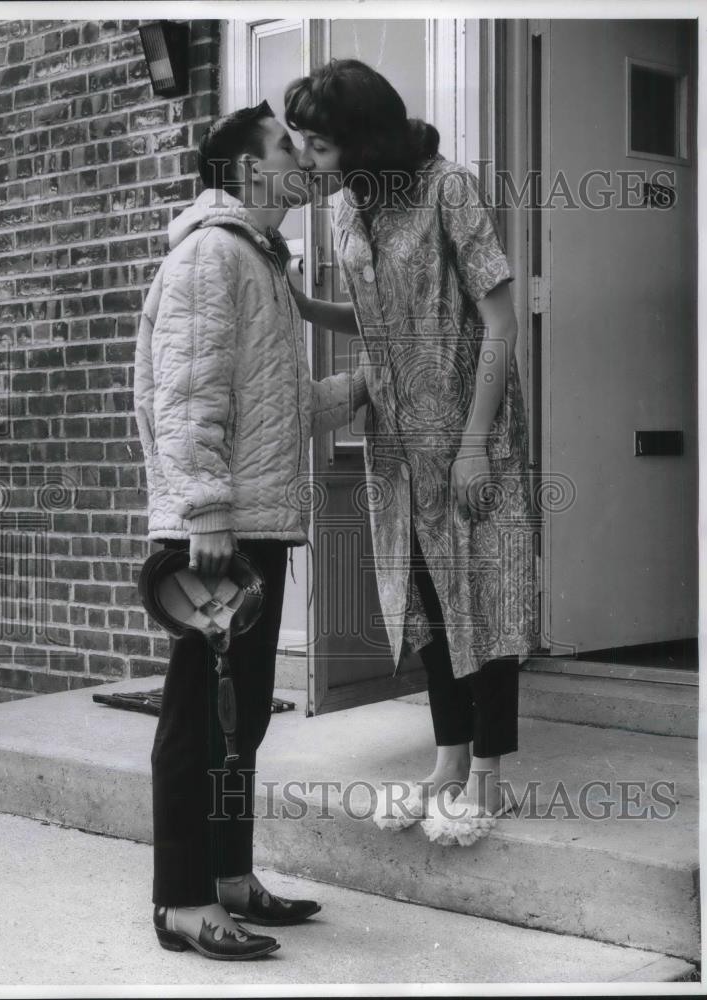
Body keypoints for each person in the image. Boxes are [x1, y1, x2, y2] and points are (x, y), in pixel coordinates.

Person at [134, 100, 367, 960]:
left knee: (240, 725)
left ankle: (231, 880)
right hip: (214, 534)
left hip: (249, 523)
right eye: (284, 146)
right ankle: (183, 904)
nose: (302, 156)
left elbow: (272, 403)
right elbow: (188, 394)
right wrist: (203, 512)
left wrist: (356, 390)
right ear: (244, 172)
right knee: (198, 720)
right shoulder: (209, 256)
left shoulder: (258, 261)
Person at [284, 60, 537, 847]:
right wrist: (297, 302)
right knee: (428, 604)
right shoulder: (345, 213)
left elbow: (499, 323)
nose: (308, 159)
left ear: (361, 139)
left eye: (319, 144)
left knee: (485, 601)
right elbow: (379, 322)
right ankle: (447, 763)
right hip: (397, 442)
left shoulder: (448, 187)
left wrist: (473, 448)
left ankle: (490, 776)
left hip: (471, 433)